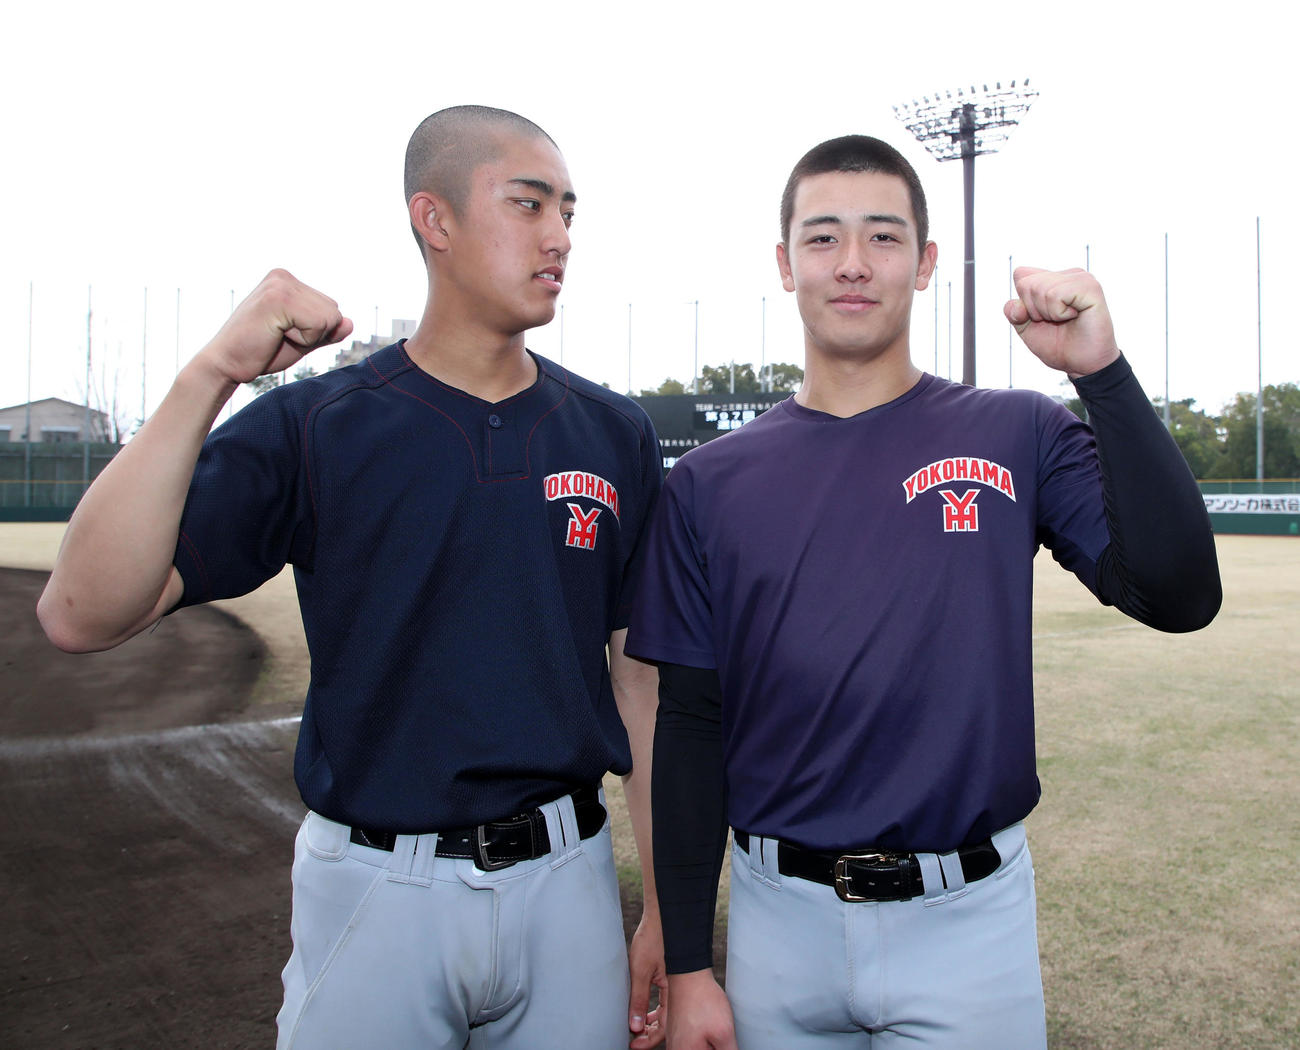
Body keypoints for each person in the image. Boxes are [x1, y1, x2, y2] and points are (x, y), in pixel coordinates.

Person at [38, 105, 668, 1050]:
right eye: (529, 204)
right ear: (436, 220)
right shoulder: (319, 425)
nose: (559, 237)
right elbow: (82, 610)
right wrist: (213, 371)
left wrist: (663, 908)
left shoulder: (613, 433)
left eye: (569, 212)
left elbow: (641, 682)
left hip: (568, 887)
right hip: (378, 888)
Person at [624, 134, 1222, 1050]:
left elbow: (1180, 593)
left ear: (927, 262)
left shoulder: (1017, 430)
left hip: (968, 924)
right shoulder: (709, 481)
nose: (853, 264)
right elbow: (692, 725)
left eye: (884, 237)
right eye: (822, 239)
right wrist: (697, 966)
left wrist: (1098, 372)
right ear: (784, 267)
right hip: (781, 924)